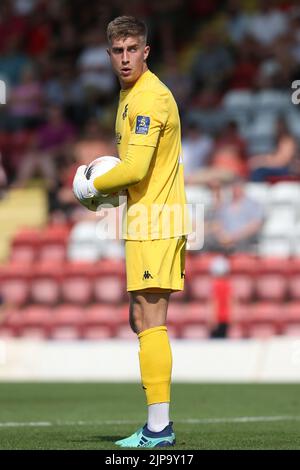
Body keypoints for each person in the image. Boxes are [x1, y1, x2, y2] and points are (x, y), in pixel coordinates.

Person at [72, 16, 191, 448]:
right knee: (140, 318)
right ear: (109, 55)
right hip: (145, 219)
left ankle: (159, 430)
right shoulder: (129, 96)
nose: (125, 58)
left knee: (151, 321)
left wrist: (88, 184)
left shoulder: (147, 99)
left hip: (158, 220)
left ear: (146, 51)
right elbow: (136, 172)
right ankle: (157, 425)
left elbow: (137, 168)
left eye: (132, 49)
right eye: (117, 51)